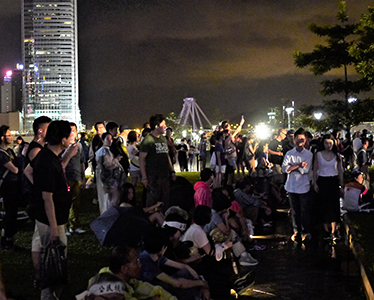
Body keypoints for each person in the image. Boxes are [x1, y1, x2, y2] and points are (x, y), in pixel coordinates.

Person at [32, 120, 74, 299]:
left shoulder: (51, 157)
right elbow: (47, 197)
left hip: (55, 219)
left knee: (55, 262)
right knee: (53, 263)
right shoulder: (47, 161)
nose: (71, 138)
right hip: (51, 221)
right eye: (69, 135)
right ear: (63, 139)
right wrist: (54, 227)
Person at [139, 228, 210, 300]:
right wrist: (202, 283)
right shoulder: (146, 260)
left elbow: (183, 266)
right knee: (181, 289)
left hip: (158, 285)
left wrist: (201, 283)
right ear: (163, 247)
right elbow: (177, 284)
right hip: (151, 292)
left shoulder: (153, 254)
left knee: (184, 273)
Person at [92, 246, 177, 300]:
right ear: (124, 269)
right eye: (136, 262)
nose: (140, 265)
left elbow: (156, 290)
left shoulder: (129, 281)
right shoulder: (113, 291)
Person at [282, 128, 313, 243]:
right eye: (298, 139)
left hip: (303, 186)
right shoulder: (289, 153)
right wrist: (298, 165)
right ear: (294, 139)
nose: (300, 141)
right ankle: (296, 231)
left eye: (302, 139)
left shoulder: (308, 154)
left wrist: (293, 167)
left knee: (304, 210)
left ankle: (305, 231)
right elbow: (284, 169)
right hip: (291, 186)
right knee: (295, 210)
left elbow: (305, 170)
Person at [139, 114, 176, 211]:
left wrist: (172, 171)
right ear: (156, 126)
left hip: (164, 175)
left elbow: (166, 156)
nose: (165, 127)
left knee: (166, 200)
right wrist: (144, 177)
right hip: (153, 176)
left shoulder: (163, 139)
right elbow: (141, 159)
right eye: (163, 124)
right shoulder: (148, 140)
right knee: (152, 199)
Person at [313, 133, 344, 241]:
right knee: (323, 206)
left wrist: (342, 184)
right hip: (322, 181)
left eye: (330, 143)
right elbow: (315, 168)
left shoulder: (337, 155)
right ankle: (326, 231)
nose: (328, 145)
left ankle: (334, 230)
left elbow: (340, 170)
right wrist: (315, 183)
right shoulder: (318, 154)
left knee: (334, 206)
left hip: (333, 181)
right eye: (326, 143)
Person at [63, 122, 86, 235]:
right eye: (70, 130)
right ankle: (65, 226)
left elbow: (82, 162)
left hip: (77, 177)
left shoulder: (79, 146)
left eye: (74, 130)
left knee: (76, 203)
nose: (72, 133)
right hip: (66, 177)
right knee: (65, 203)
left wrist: (83, 177)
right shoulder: (63, 146)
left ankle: (74, 225)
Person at [0, 125, 20, 251]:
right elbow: (15, 169)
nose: (11, 137)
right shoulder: (2, 154)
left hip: (13, 185)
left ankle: (9, 239)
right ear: (2, 138)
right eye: (9, 135)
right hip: (7, 186)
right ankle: (7, 240)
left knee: (12, 213)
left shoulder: (9, 151)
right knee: (9, 212)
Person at [96, 132, 124, 214]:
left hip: (104, 177)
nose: (110, 141)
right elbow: (108, 164)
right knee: (113, 197)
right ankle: (111, 214)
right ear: (103, 140)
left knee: (105, 198)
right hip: (109, 178)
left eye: (111, 139)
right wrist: (117, 160)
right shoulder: (105, 151)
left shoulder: (101, 150)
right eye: (107, 139)